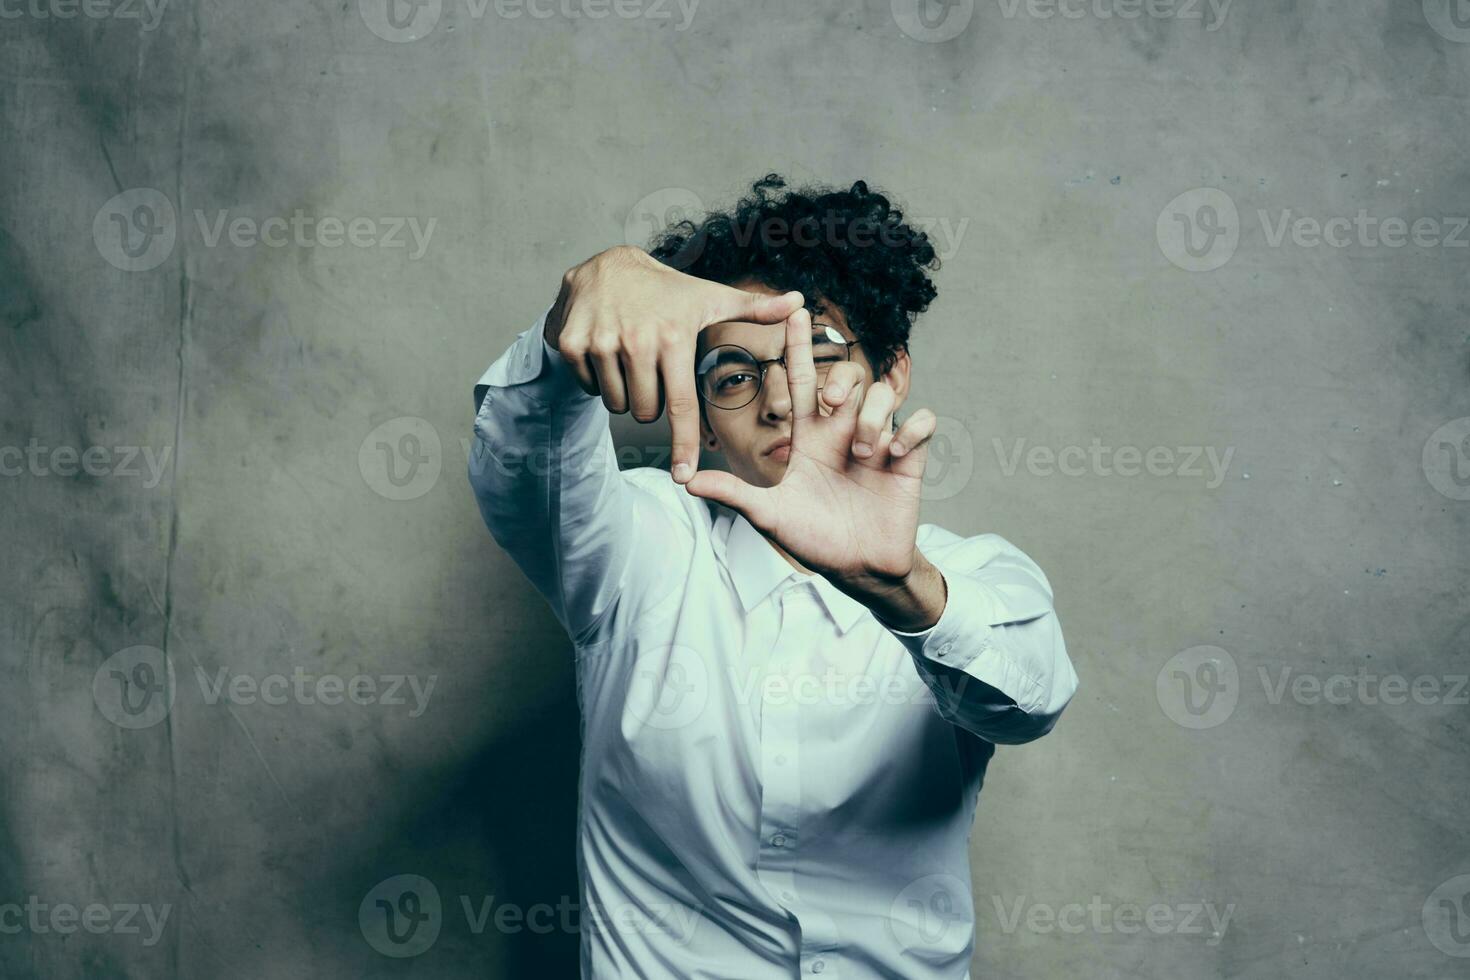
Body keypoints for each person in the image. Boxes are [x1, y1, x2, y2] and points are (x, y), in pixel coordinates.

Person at [467, 175, 1079, 979]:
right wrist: (567, 331)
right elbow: (522, 469)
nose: (781, 399)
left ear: (891, 371)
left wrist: (901, 587)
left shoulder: (968, 575)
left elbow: (1027, 701)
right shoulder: (643, 545)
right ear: (699, 408)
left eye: (815, 352)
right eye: (732, 376)